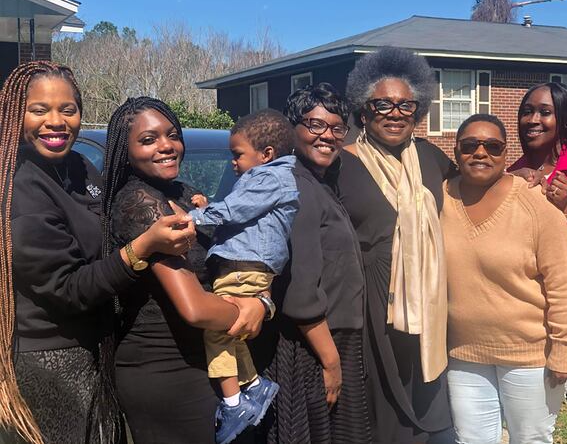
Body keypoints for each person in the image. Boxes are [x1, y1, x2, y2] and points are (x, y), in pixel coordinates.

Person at [0, 62, 194, 444]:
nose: (55, 121)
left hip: (98, 349)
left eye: (67, 110)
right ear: (14, 114)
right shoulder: (20, 185)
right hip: (52, 359)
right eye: (39, 110)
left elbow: (113, 220)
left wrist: (185, 201)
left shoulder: (80, 167)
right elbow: (68, 289)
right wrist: (142, 248)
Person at [102, 97, 266, 444]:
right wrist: (255, 307)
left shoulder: (185, 192)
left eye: (172, 135)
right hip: (166, 368)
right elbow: (194, 307)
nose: (166, 146)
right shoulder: (140, 205)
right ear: (126, 151)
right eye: (148, 140)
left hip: (210, 356)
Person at [338, 47, 455, 443]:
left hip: (429, 300)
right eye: (382, 103)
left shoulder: (430, 157)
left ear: (418, 111)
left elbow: (476, 190)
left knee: (429, 401)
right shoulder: (342, 163)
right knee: (381, 412)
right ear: (364, 109)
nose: (395, 113)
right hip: (370, 304)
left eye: (406, 105)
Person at [444, 113, 567, 443]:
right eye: (470, 145)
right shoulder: (440, 198)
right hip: (463, 355)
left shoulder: (537, 207)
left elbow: (564, 284)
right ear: (456, 152)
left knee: (530, 439)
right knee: (471, 439)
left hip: (530, 357)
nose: (481, 153)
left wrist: (564, 348)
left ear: (506, 154)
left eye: (492, 146)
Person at [259, 82, 370, 444]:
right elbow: (301, 292)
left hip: (333, 341)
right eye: (315, 125)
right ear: (294, 128)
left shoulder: (319, 183)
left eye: (337, 128)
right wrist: (331, 362)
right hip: (313, 348)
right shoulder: (297, 188)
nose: (328, 136)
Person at [188, 109, 298, 443]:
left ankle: (234, 404)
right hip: (244, 265)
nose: (232, 162)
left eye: (237, 155)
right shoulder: (270, 177)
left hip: (244, 267)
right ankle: (254, 385)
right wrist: (211, 204)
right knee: (231, 335)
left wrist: (193, 216)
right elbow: (243, 211)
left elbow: (237, 211)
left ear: (266, 155)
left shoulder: (269, 177)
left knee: (217, 333)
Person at [509, 82, 567, 444]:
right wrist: (506, 188)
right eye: (526, 111)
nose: (531, 119)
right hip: (529, 316)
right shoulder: (509, 174)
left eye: (543, 112)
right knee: (530, 421)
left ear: (564, 119)